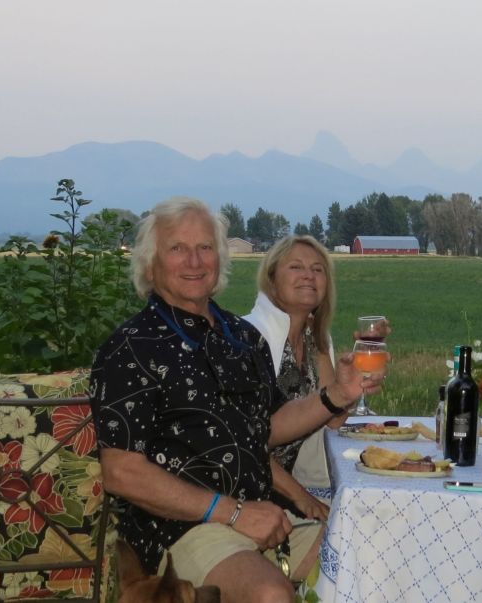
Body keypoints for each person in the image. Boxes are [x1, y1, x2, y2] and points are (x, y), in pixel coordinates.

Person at [90, 196, 381, 602]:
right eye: (178, 248)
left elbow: (271, 428)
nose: (194, 261)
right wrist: (233, 513)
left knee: (374, 554)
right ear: (151, 263)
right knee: (269, 595)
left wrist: (337, 395)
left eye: (205, 248)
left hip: (266, 517)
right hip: (182, 529)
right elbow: (123, 473)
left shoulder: (241, 338)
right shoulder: (131, 348)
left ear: (220, 258)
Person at [243, 235, 343, 515]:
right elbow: (246, 441)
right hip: (250, 487)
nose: (309, 276)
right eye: (296, 267)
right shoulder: (250, 339)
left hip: (290, 480)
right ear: (272, 279)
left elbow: (333, 418)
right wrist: (301, 498)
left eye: (318, 269)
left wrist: (355, 380)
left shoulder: (315, 339)